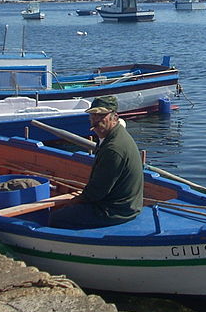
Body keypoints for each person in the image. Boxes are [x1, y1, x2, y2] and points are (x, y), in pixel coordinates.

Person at [47, 95, 144, 229]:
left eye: (101, 116)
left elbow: (96, 192)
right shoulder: (113, 135)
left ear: (114, 117)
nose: (96, 121)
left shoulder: (114, 149)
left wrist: (73, 202)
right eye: (93, 116)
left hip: (116, 211)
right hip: (124, 205)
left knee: (55, 218)